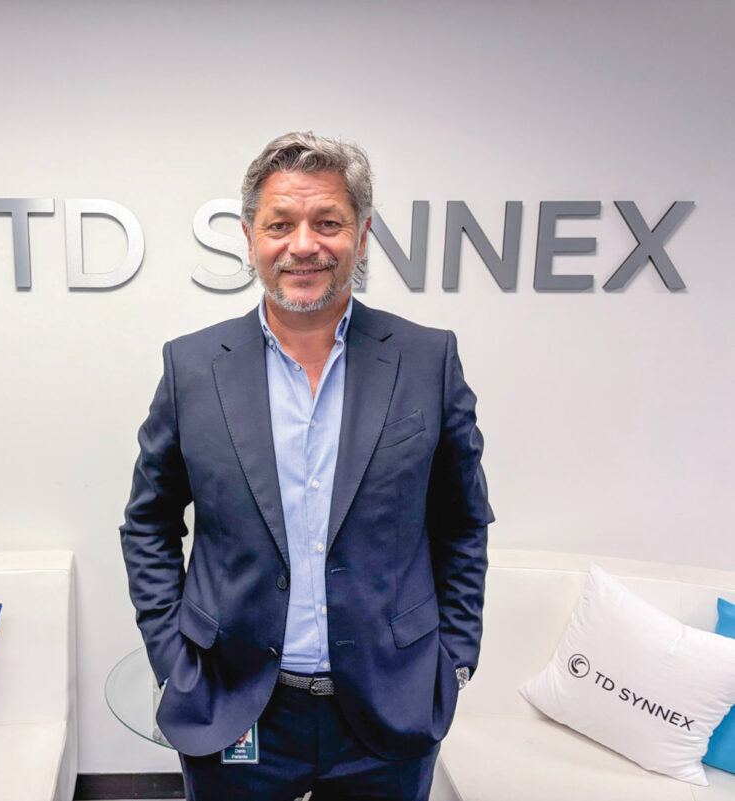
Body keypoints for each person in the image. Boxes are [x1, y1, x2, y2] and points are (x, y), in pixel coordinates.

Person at [120, 132, 493, 800]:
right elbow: (148, 523)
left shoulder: (427, 360)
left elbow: (462, 523)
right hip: (233, 702)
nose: (303, 245)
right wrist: (172, 659)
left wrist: (454, 661)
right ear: (249, 238)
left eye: (327, 223)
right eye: (279, 225)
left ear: (362, 235)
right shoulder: (192, 367)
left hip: (390, 703)